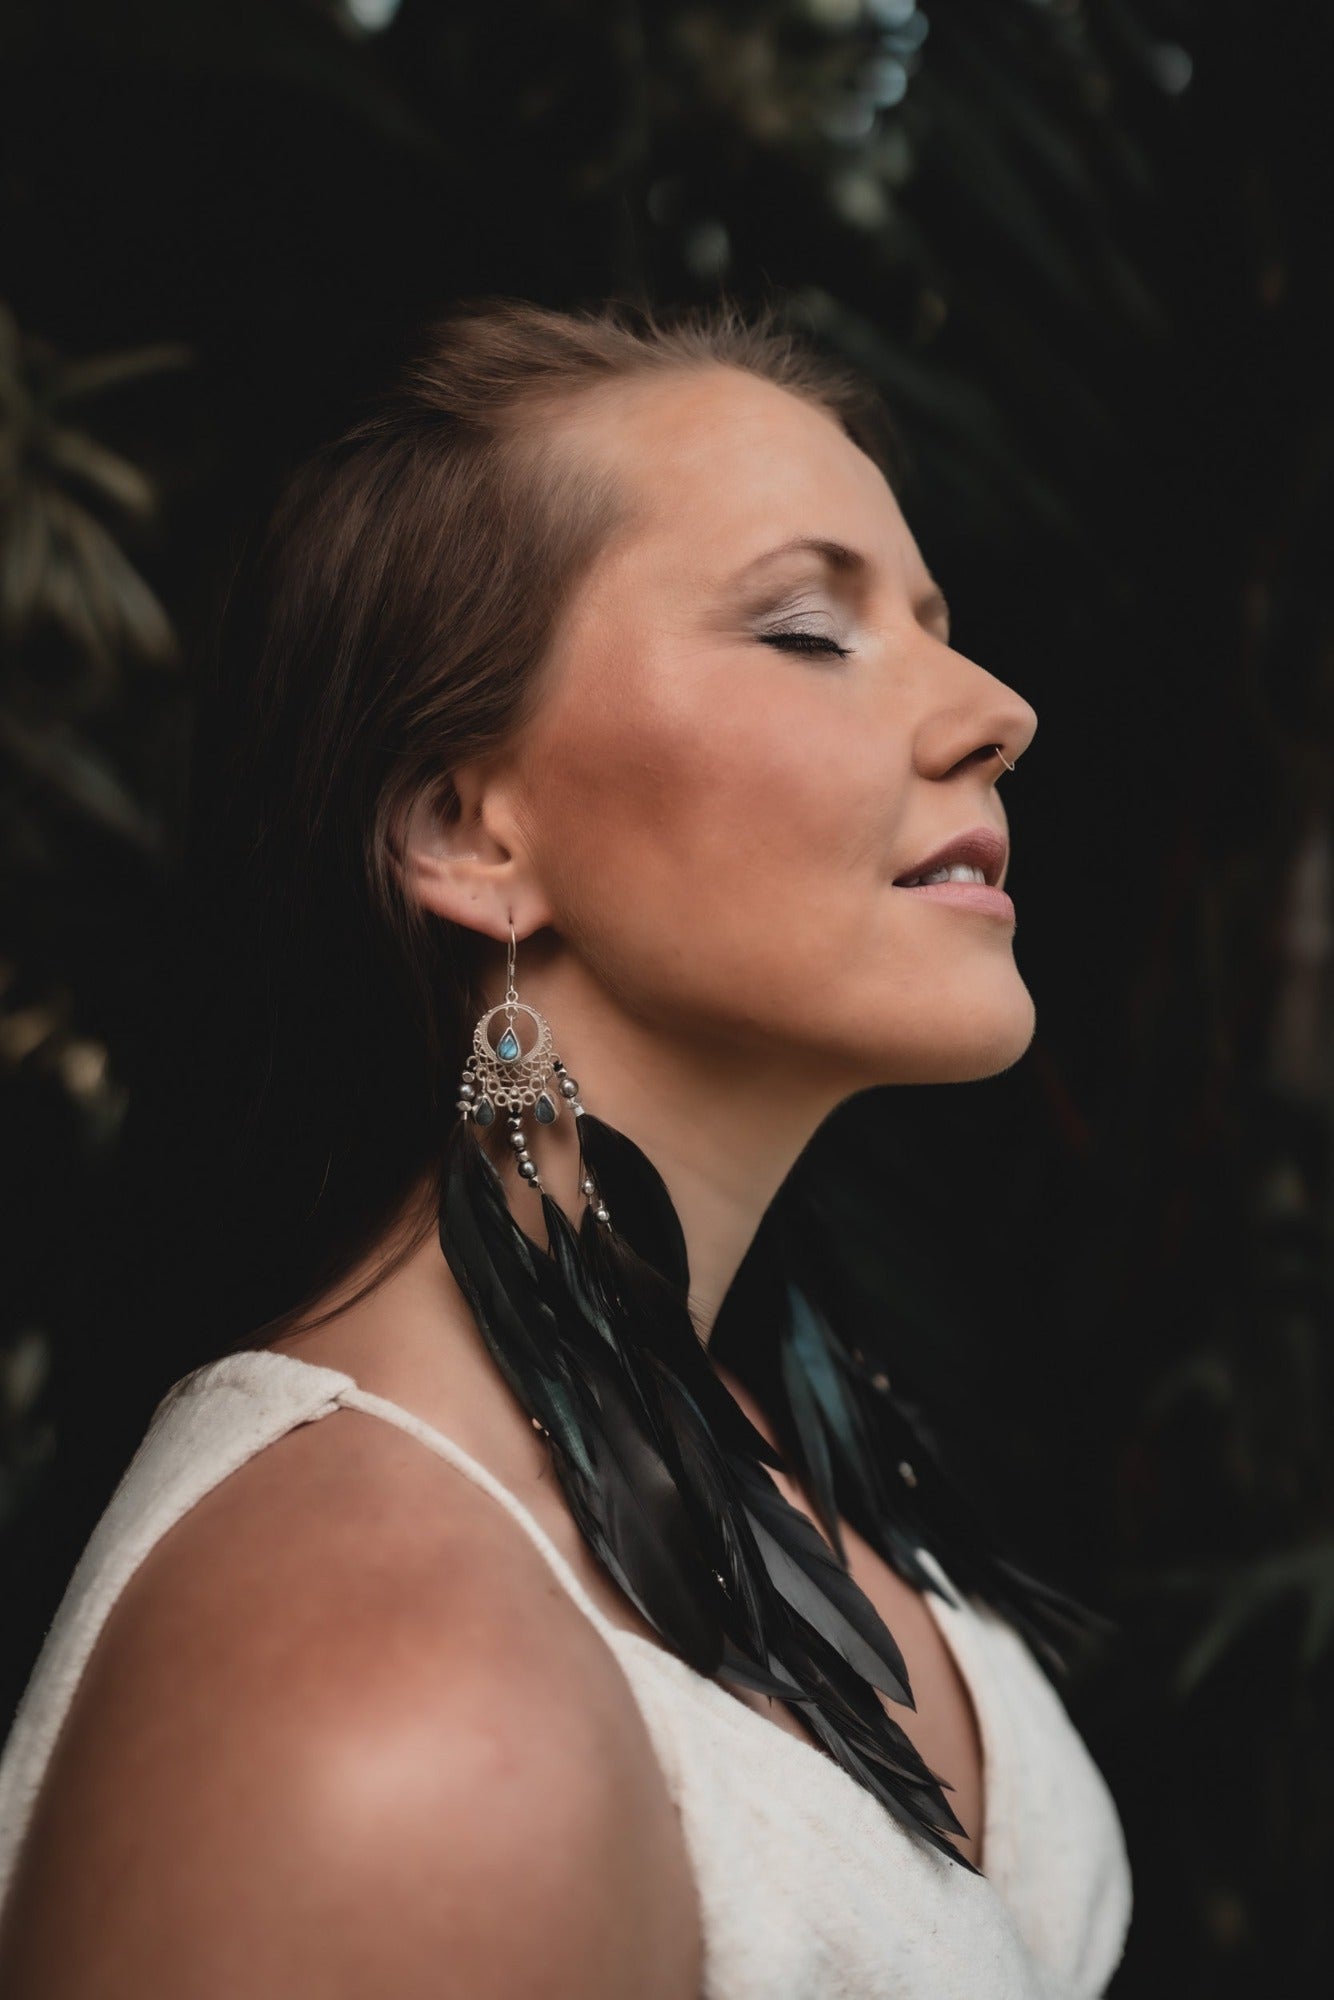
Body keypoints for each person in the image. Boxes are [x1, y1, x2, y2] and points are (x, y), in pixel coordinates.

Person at [0, 296, 1132, 1996]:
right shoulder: (380, 1709)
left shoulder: (746, 1421)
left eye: (937, 623)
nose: (995, 708)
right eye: (809, 630)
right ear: (467, 828)